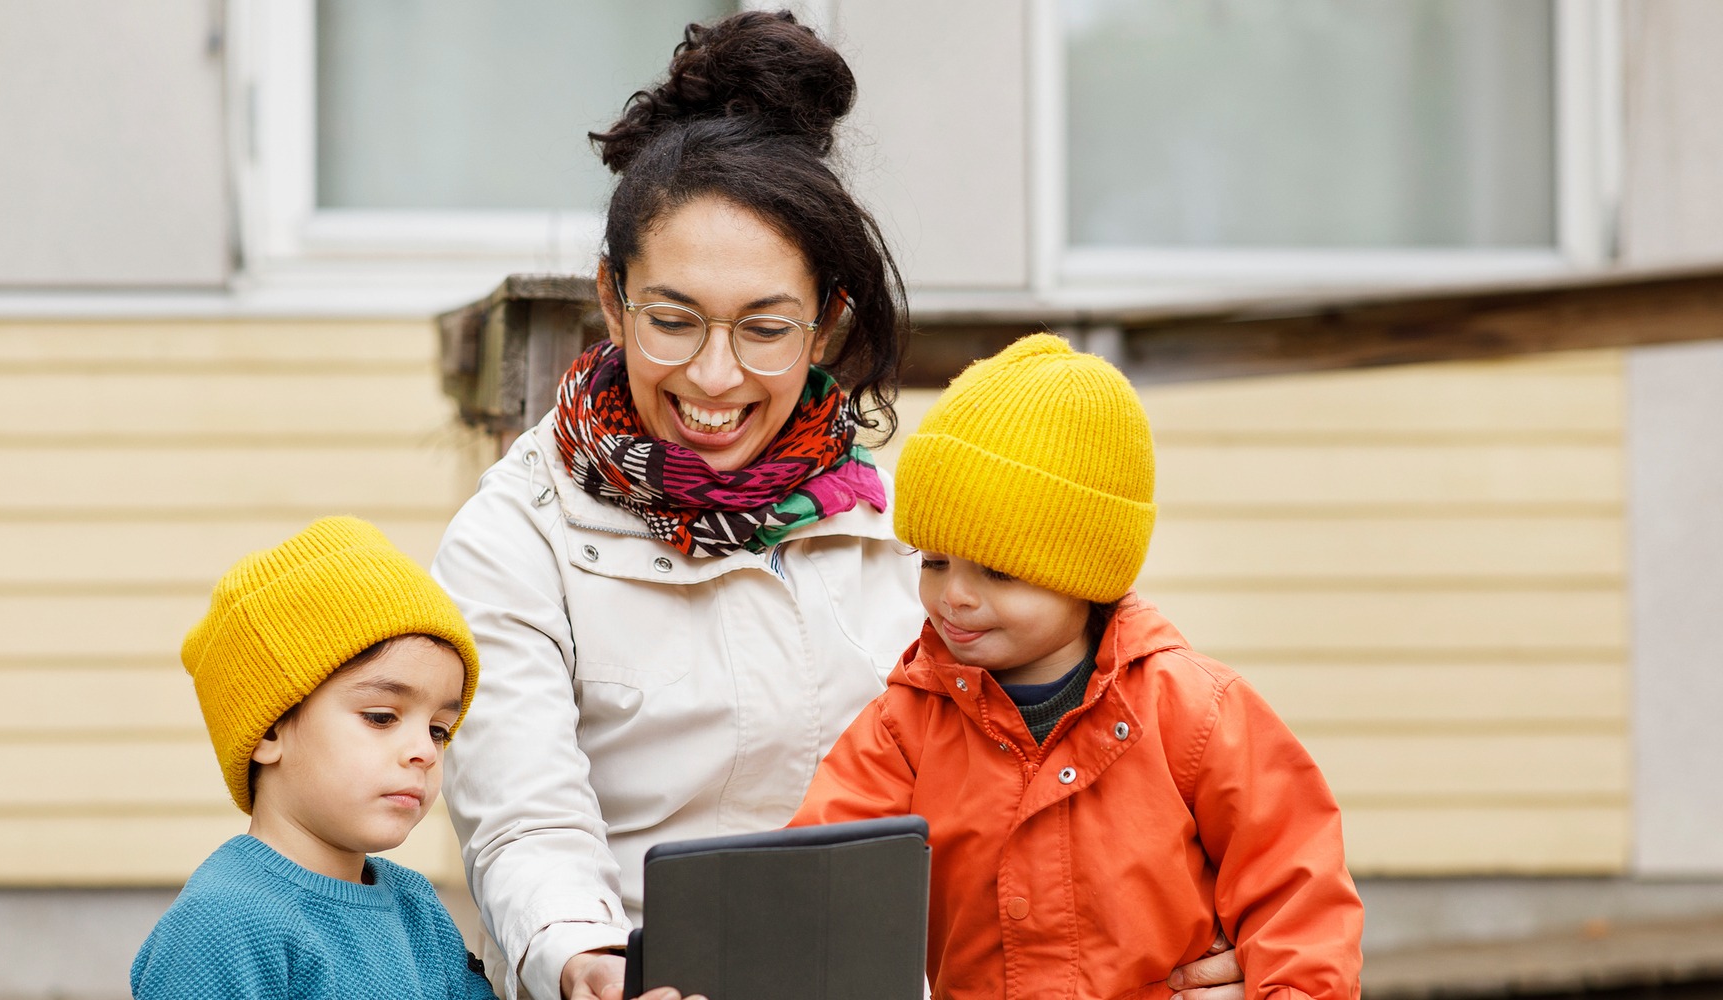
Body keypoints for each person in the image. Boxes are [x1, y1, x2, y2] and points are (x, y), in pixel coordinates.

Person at [433, 11, 1245, 1000]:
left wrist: (1175, 931)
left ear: (825, 324)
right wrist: (583, 962)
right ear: (612, 300)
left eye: (764, 327)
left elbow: (1061, 768)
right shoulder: (518, 535)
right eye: (672, 320)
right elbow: (525, 819)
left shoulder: (913, 535)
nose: (714, 375)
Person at [789, 336, 1366, 1000]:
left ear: (1085, 574)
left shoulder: (1195, 712)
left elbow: (1296, 891)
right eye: (934, 562)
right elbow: (817, 884)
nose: (955, 595)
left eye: (998, 571)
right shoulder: (907, 726)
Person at [131, 517, 699, 1000]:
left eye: (440, 729)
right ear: (269, 730)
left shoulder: (414, 907)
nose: (423, 751)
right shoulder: (220, 927)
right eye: (381, 717)